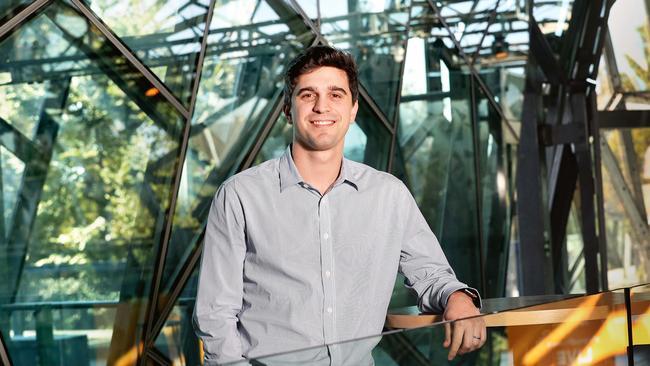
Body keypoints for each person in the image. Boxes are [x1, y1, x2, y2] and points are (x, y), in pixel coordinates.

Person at [193, 45, 486, 365]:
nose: (322, 107)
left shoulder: (389, 195)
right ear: (288, 110)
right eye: (307, 95)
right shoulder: (240, 196)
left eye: (335, 94)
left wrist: (458, 297)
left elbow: (430, 274)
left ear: (353, 109)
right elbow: (216, 314)